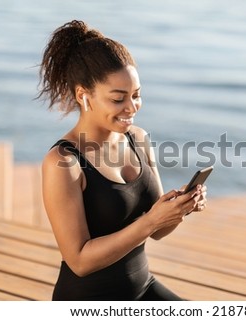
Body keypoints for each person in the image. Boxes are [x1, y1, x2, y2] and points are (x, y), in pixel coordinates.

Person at [38, 20, 207, 301]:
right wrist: (150, 221)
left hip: (142, 287)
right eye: (118, 99)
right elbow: (79, 261)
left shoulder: (137, 138)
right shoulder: (63, 162)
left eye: (136, 95)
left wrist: (180, 208)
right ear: (84, 95)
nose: (132, 108)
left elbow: (159, 231)